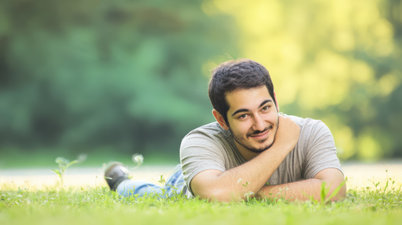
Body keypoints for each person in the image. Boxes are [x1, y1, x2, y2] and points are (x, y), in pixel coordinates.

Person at [104, 59, 346, 202]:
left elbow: (334, 189)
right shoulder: (198, 141)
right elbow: (215, 193)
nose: (260, 124)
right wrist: (282, 146)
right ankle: (121, 181)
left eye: (265, 108)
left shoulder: (311, 131)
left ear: (276, 102)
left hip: (222, 177)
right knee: (153, 194)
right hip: (201, 172)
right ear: (221, 119)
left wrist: (245, 192)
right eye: (243, 115)